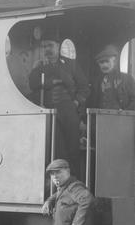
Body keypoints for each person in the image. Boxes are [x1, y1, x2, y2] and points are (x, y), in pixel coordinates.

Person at [28, 32, 89, 170]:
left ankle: (73, 182)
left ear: (58, 46)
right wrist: (40, 73)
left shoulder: (71, 65)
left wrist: (76, 103)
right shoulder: (39, 66)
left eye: (50, 45)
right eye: (44, 46)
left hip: (68, 112)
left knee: (72, 148)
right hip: (48, 112)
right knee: (53, 149)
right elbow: (32, 85)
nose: (47, 49)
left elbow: (84, 87)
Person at [87, 45, 135, 111]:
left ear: (114, 62)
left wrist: (125, 113)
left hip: (120, 119)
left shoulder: (126, 79)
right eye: (101, 62)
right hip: (100, 118)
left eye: (107, 61)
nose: (104, 65)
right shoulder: (96, 81)